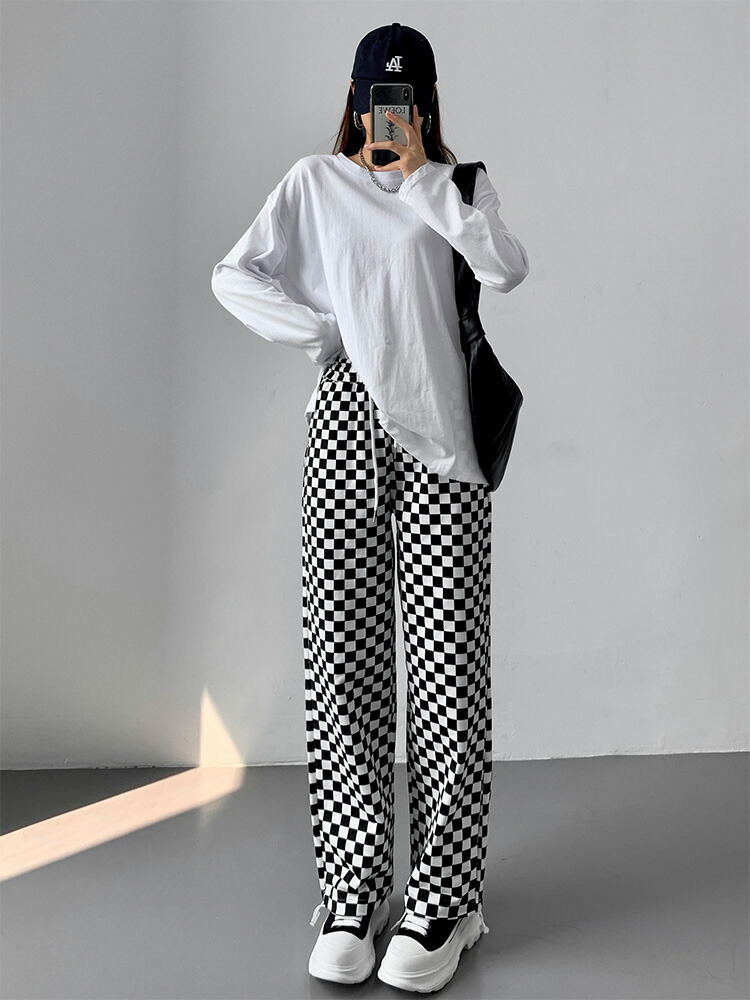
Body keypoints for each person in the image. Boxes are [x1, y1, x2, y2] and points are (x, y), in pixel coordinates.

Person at [211, 21, 529, 994]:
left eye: (407, 98)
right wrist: (321, 334)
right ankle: (352, 888)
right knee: (341, 653)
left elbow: (507, 267)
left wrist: (427, 178)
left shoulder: (460, 186)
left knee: (447, 667)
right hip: (347, 426)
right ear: (354, 100)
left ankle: (446, 897)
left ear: (426, 104)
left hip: (444, 439)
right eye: (377, 97)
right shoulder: (314, 183)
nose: (390, 113)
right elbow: (233, 273)